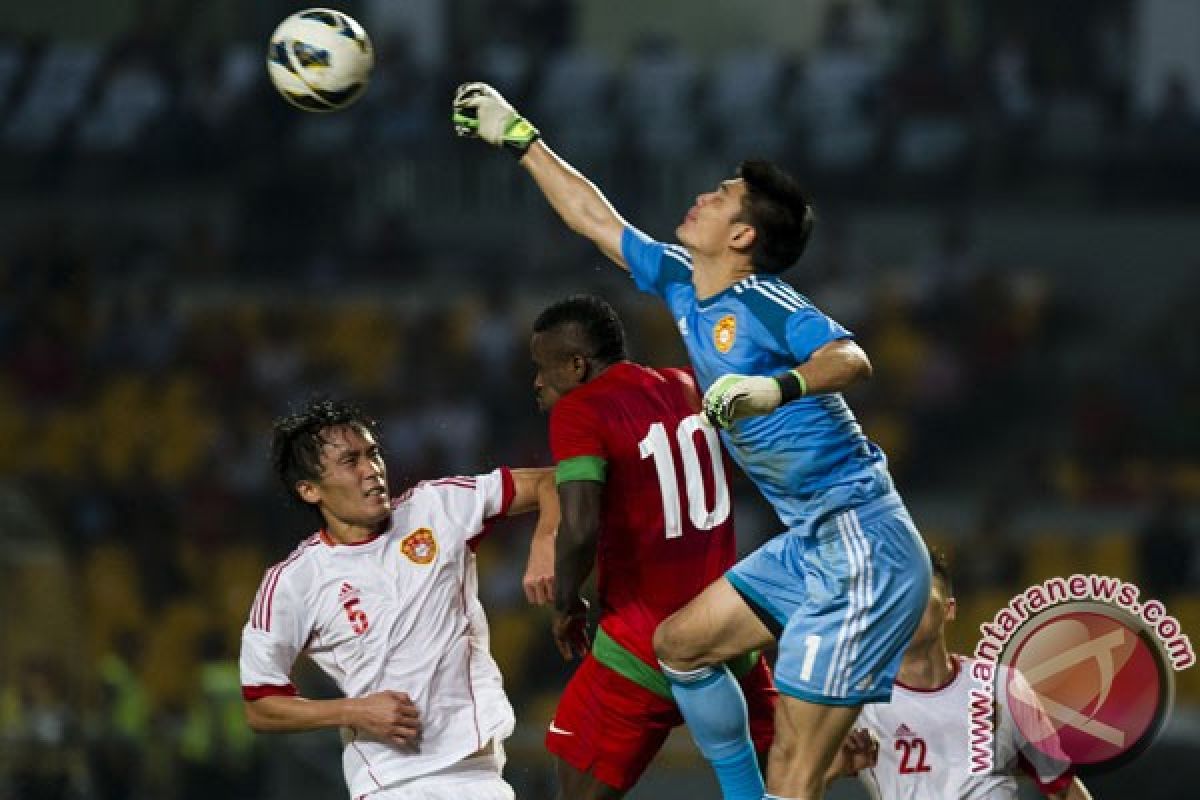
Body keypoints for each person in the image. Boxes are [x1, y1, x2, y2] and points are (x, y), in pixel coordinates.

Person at [452, 83, 931, 800]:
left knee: (797, 776)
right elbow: (595, 219)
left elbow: (851, 359)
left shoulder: (766, 303)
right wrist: (520, 138)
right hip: (808, 544)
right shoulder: (682, 282)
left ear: (742, 237)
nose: (703, 197)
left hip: (861, 542)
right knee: (680, 646)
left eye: (721, 195)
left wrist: (777, 387)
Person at [239, 398, 558, 800]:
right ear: (309, 489)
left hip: (480, 776)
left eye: (373, 454)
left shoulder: (437, 507)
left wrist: (546, 540)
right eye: (350, 461)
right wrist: (354, 711)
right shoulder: (294, 581)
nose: (371, 470)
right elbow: (260, 705)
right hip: (391, 784)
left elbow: (554, 482)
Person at [527, 294, 778, 799]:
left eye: (542, 367)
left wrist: (566, 603)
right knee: (784, 781)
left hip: (643, 643)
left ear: (576, 365)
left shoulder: (580, 410)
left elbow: (580, 525)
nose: (536, 381)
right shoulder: (687, 384)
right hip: (727, 629)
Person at [852, 552, 1092, 800]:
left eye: (919, 593)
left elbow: (1061, 786)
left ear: (949, 609)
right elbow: (814, 776)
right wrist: (837, 766)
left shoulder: (1001, 685)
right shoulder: (859, 701)